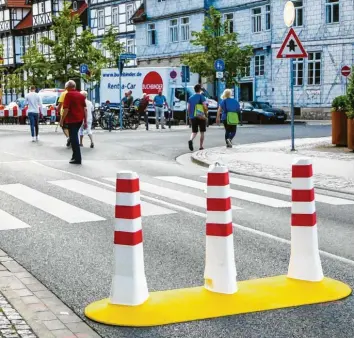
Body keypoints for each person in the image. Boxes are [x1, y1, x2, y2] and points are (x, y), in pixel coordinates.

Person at [60, 80, 86, 165]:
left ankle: (77, 158)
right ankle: (74, 156)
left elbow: (66, 109)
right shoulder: (81, 95)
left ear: (69, 87)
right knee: (73, 137)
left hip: (72, 119)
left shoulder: (68, 95)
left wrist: (62, 119)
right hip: (79, 119)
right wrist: (85, 120)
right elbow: (84, 109)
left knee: (74, 138)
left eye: (66, 87)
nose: (65, 88)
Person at [188, 84, 208, 151]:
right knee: (202, 132)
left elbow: (189, 108)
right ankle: (201, 146)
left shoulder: (190, 98)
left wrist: (189, 117)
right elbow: (205, 107)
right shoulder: (202, 97)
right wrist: (206, 113)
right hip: (201, 116)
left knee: (194, 131)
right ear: (200, 89)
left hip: (193, 116)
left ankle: (190, 140)